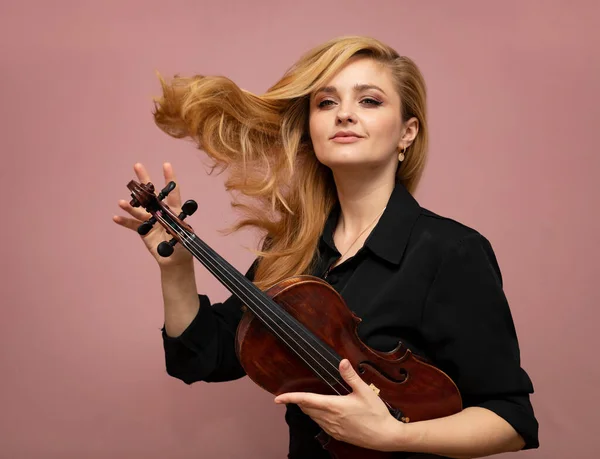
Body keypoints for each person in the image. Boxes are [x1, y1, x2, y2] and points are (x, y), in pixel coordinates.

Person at [113, 35, 539, 458]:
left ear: (407, 133)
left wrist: (394, 436)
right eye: (326, 103)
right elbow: (207, 356)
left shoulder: (450, 252)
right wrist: (176, 268)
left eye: (369, 101)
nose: (345, 115)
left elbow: (510, 418)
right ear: (311, 128)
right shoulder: (292, 248)